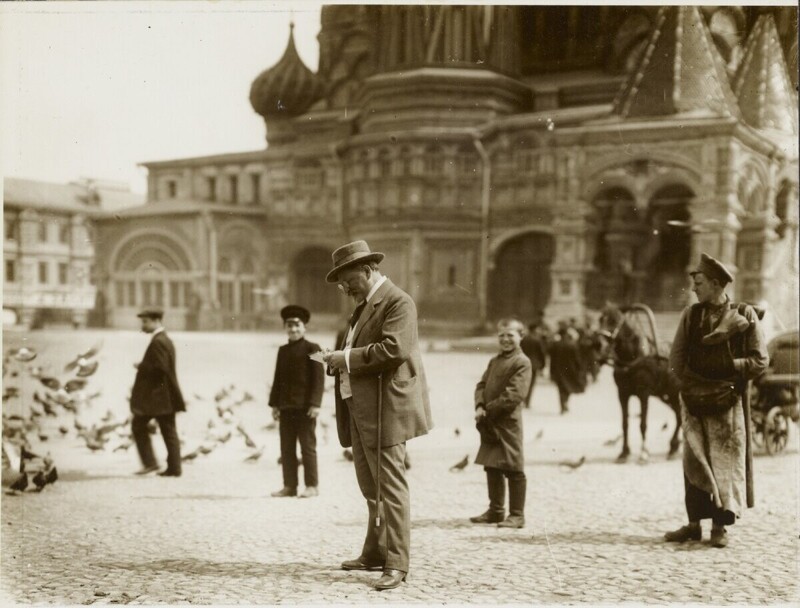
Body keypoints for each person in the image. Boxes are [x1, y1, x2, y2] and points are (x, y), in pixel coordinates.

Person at [322, 240, 433, 591]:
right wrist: (337, 361)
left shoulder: (398, 302)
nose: (345, 289)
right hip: (360, 406)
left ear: (368, 271)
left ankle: (397, 563)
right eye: (341, 283)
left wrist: (347, 359)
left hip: (386, 409)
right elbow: (355, 349)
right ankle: (374, 552)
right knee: (370, 486)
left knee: (391, 488)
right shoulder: (363, 305)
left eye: (349, 281)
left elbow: (394, 349)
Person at [666, 253, 768, 548]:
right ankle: (694, 524)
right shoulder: (691, 315)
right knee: (694, 461)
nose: (694, 288)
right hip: (695, 400)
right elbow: (676, 358)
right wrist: (685, 385)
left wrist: (728, 368)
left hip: (727, 401)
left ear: (715, 283)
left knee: (724, 462)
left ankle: (720, 527)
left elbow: (760, 361)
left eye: (699, 282)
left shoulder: (744, 315)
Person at [471, 318, 532, 529]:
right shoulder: (494, 361)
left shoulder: (522, 362)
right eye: (502, 336)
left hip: (508, 423)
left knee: (514, 467)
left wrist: (489, 410)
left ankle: (517, 515)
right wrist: (479, 404)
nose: (505, 340)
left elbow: (514, 395)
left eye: (511, 335)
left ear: (521, 337)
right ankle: (496, 511)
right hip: (490, 421)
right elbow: (481, 384)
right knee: (492, 465)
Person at [269, 305, 324, 498]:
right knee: (286, 448)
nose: (293, 329)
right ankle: (289, 486)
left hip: (305, 408)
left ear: (304, 327)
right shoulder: (282, 350)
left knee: (307, 446)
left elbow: (319, 379)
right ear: (285, 327)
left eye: (297, 325)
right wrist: (274, 404)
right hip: (285, 407)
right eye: (289, 326)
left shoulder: (313, 348)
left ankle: (312, 485)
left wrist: (315, 404)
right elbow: (277, 379)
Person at [130, 307, 185, 477]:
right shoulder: (164, 339)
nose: (143, 326)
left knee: (140, 426)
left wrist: (142, 367)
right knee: (168, 431)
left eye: (145, 322)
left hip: (158, 397)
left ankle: (152, 463)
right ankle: (173, 468)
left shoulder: (158, 341)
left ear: (156, 321)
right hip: (164, 396)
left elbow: (160, 369)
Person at [548, 322, 586, 414]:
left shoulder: (555, 345)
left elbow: (551, 359)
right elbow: (577, 359)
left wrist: (551, 371)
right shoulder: (572, 345)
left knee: (560, 388)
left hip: (558, 369)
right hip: (570, 370)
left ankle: (562, 405)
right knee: (568, 387)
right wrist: (580, 368)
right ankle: (565, 402)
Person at [520, 322, 547, 408]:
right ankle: (527, 402)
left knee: (523, 383)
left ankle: (522, 400)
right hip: (534, 365)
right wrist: (543, 365)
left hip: (523, 364)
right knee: (531, 384)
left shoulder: (523, 339)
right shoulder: (537, 340)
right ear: (535, 330)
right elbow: (542, 353)